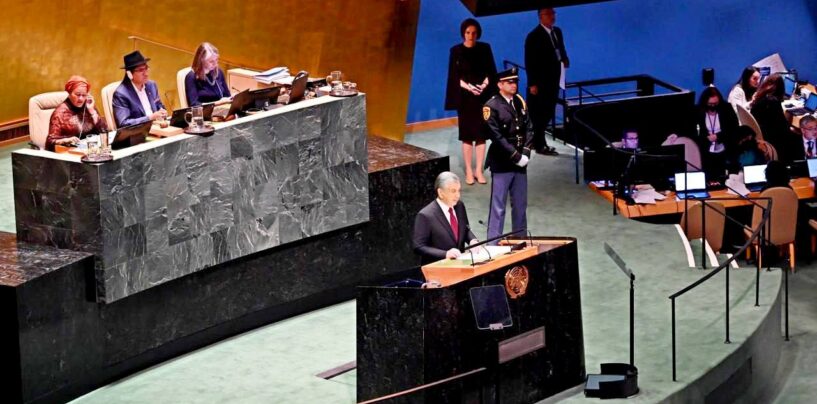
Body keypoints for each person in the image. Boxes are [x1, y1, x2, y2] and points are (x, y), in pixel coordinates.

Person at [445, 18, 497, 185]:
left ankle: (478, 170)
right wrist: (469, 87)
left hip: (482, 97)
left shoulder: (485, 48)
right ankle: (468, 170)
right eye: (468, 32)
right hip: (466, 98)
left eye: (474, 33)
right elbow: (454, 77)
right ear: (463, 33)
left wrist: (483, 86)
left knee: (481, 136)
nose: (471, 35)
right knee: (467, 136)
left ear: (478, 34)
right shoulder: (456, 51)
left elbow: (491, 72)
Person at [484, 68, 533, 242]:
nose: (514, 85)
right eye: (509, 82)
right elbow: (496, 137)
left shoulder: (520, 102)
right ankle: (493, 243)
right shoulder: (491, 106)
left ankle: (520, 240)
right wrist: (516, 156)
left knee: (520, 205)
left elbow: (529, 128)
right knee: (498, 206)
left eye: (515, 82)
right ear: (500, 85)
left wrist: (526, 152)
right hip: (502, 162)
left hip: (521, 163)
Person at [524, 7, 568, 156]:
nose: (552, 16)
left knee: (549, 111)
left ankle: (539, 142)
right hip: (540, 82)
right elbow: (529, 61)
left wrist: (565, 59)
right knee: (539, 114)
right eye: (548, 14)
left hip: (554, 80)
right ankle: (539, 144)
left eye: (553, 13)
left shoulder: (557, 32)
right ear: (540, 16)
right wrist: (532, 84)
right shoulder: (533, 36)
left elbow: (560, 49)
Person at [412, 171, 478, 264]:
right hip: (438, 269)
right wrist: (445, 254)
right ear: (440, 192)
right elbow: (419, 247)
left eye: (459, 190)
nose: (458, 195)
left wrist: (473, 241)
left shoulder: (459, 206)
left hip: (461, 266)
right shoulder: (425, 215)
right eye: (453, 191)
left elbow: (465, 229)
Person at [46, 76, 108, 151]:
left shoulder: (89, 106)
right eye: (77, 95)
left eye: (84, 95)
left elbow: (104, 131)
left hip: (92, 150)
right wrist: (65, 140)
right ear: (69, 93)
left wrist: (92, 112)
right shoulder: (60, 113)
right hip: (71, 154)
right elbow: (49, 144)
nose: (81, 99)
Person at [112, 50, 167, 128]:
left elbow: (159, 105)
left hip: (157, 128)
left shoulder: (151, 85)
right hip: (139, 134)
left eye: (146, 68)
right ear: (129, 74)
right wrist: (149, 118)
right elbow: (124, 123)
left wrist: (162, 111)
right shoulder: (121, 94)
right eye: (141, 70)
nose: (146, 74)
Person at [696, 87, 739, 179]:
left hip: (724, 150)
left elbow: (734, 128)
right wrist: (706, 138)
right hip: (706, 151)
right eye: (710, 104)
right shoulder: (698, 111)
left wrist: (718, 136)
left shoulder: (727, 108)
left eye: (715, 104)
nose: (713, 106)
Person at [750, 74, 795, 162]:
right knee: (797, 137)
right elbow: (782, 126)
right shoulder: (773, 102)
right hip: (772, 138)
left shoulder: (760, 96)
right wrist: (792, 127)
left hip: (762, 133)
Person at [185, 42, 231, 107]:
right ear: (201, 60)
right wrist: (218, 103)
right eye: (211, 61)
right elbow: (195, 105)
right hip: (205, 114)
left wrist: (232, 99)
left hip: (222, 110)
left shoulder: (219, 72)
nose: (215, 64)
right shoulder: (191, 77)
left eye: (216, 60)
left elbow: (227, 95)